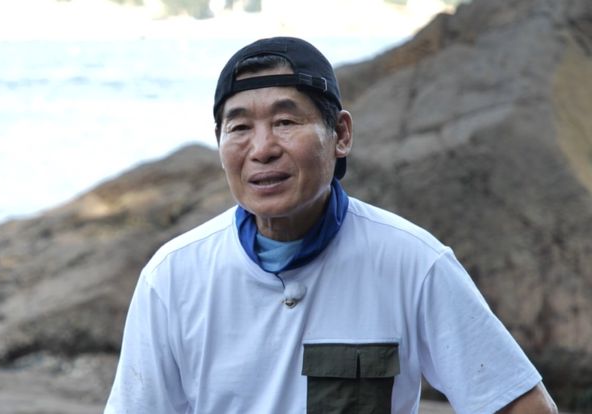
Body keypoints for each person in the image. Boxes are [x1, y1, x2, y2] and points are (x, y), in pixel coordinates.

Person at [104, 37, 557, 413]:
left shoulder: (413, 262)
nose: (262, 149)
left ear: (340, 134)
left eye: (285, 121)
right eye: (239, 128)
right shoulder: (173, 277)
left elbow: (522, 405)